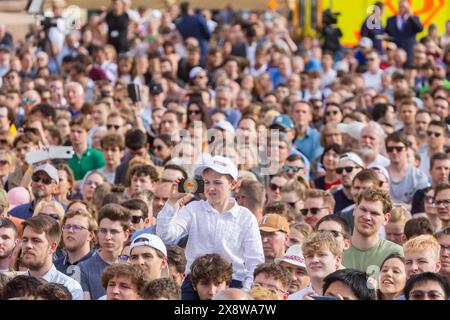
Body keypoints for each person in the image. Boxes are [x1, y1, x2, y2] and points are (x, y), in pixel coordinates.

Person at [156, 155, 264, 299]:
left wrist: (245, 291)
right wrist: (172, 202)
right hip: (195, 282)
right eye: (207, 182)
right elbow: (165, 236)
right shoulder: (193, 209)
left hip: (233, 283)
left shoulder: (245, 217)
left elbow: (255, 261)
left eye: (217, 183)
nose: (211, 188)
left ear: (232, 184)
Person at [21, 215, 83, 300]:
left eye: (36, 240)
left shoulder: (71, 288)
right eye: (25, 240)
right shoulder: (13, 285)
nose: (28, 245)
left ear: (52, 247)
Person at [342, 188, 403, 273]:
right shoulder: (337, 250)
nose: (367, 217)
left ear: (385, 219)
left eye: (374, 213)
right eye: (363, 210)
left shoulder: (396, 253)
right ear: (355, 209)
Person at [78, 203, 130, 300]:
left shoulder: (134, 266)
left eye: (114, 232)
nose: (107, 237)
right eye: (103, 231)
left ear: (126, 235)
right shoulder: (83, 268)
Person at [289, 231, 342, 300]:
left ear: (337, 260)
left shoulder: (352, 295)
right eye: (309, 256)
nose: (314, 260)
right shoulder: (292, 298)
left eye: (321, 255)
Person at [386, 131, 428, 204]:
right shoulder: (380, 175)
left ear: (407, 149)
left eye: (398, 148)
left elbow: (419, 206)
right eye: (390, 149)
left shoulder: (419, 176)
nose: (394, 152)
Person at [55, 208, 97, 276]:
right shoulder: (54, 268)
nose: (70, 231)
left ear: (90, 235)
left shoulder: (99, 267)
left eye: (77, 227)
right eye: (67, 227)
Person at [68, 116, 106, 182]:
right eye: (72, 131)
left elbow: (100, 179)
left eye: (79, 132)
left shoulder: (97, 156)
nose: (75, 134)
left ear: (87, 133)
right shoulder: (63, 155)